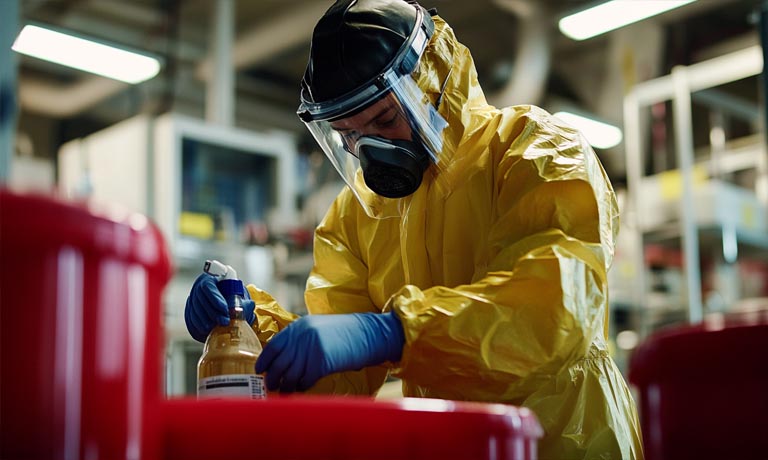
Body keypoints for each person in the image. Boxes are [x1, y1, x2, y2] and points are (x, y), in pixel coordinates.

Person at [184, 0, 644, 458]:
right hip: (450, 443)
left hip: (569, 439)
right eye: (349, 135)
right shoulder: (356, 217)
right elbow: (339, 388)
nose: (371, 150)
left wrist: (395, 332)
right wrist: (249, 330)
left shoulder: (534, 151)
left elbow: (553, 312)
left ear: (433, 81)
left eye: (385, 119)